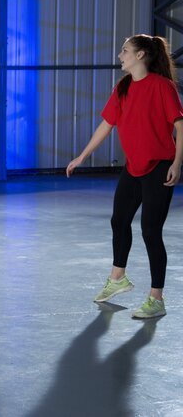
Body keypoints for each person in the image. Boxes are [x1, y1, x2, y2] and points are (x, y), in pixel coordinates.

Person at [67, 34, 183, 319]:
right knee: (119, 221)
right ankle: (118, 278)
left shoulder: (162, 87)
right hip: (133, 167)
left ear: (141, 55)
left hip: (159, 166)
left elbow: (180, 127)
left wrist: (177, 164)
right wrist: (82, 156)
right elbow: (106, 125)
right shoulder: (123, 87)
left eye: (125, 51)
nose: (120, 56)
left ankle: (156, 298)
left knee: (150, 232)